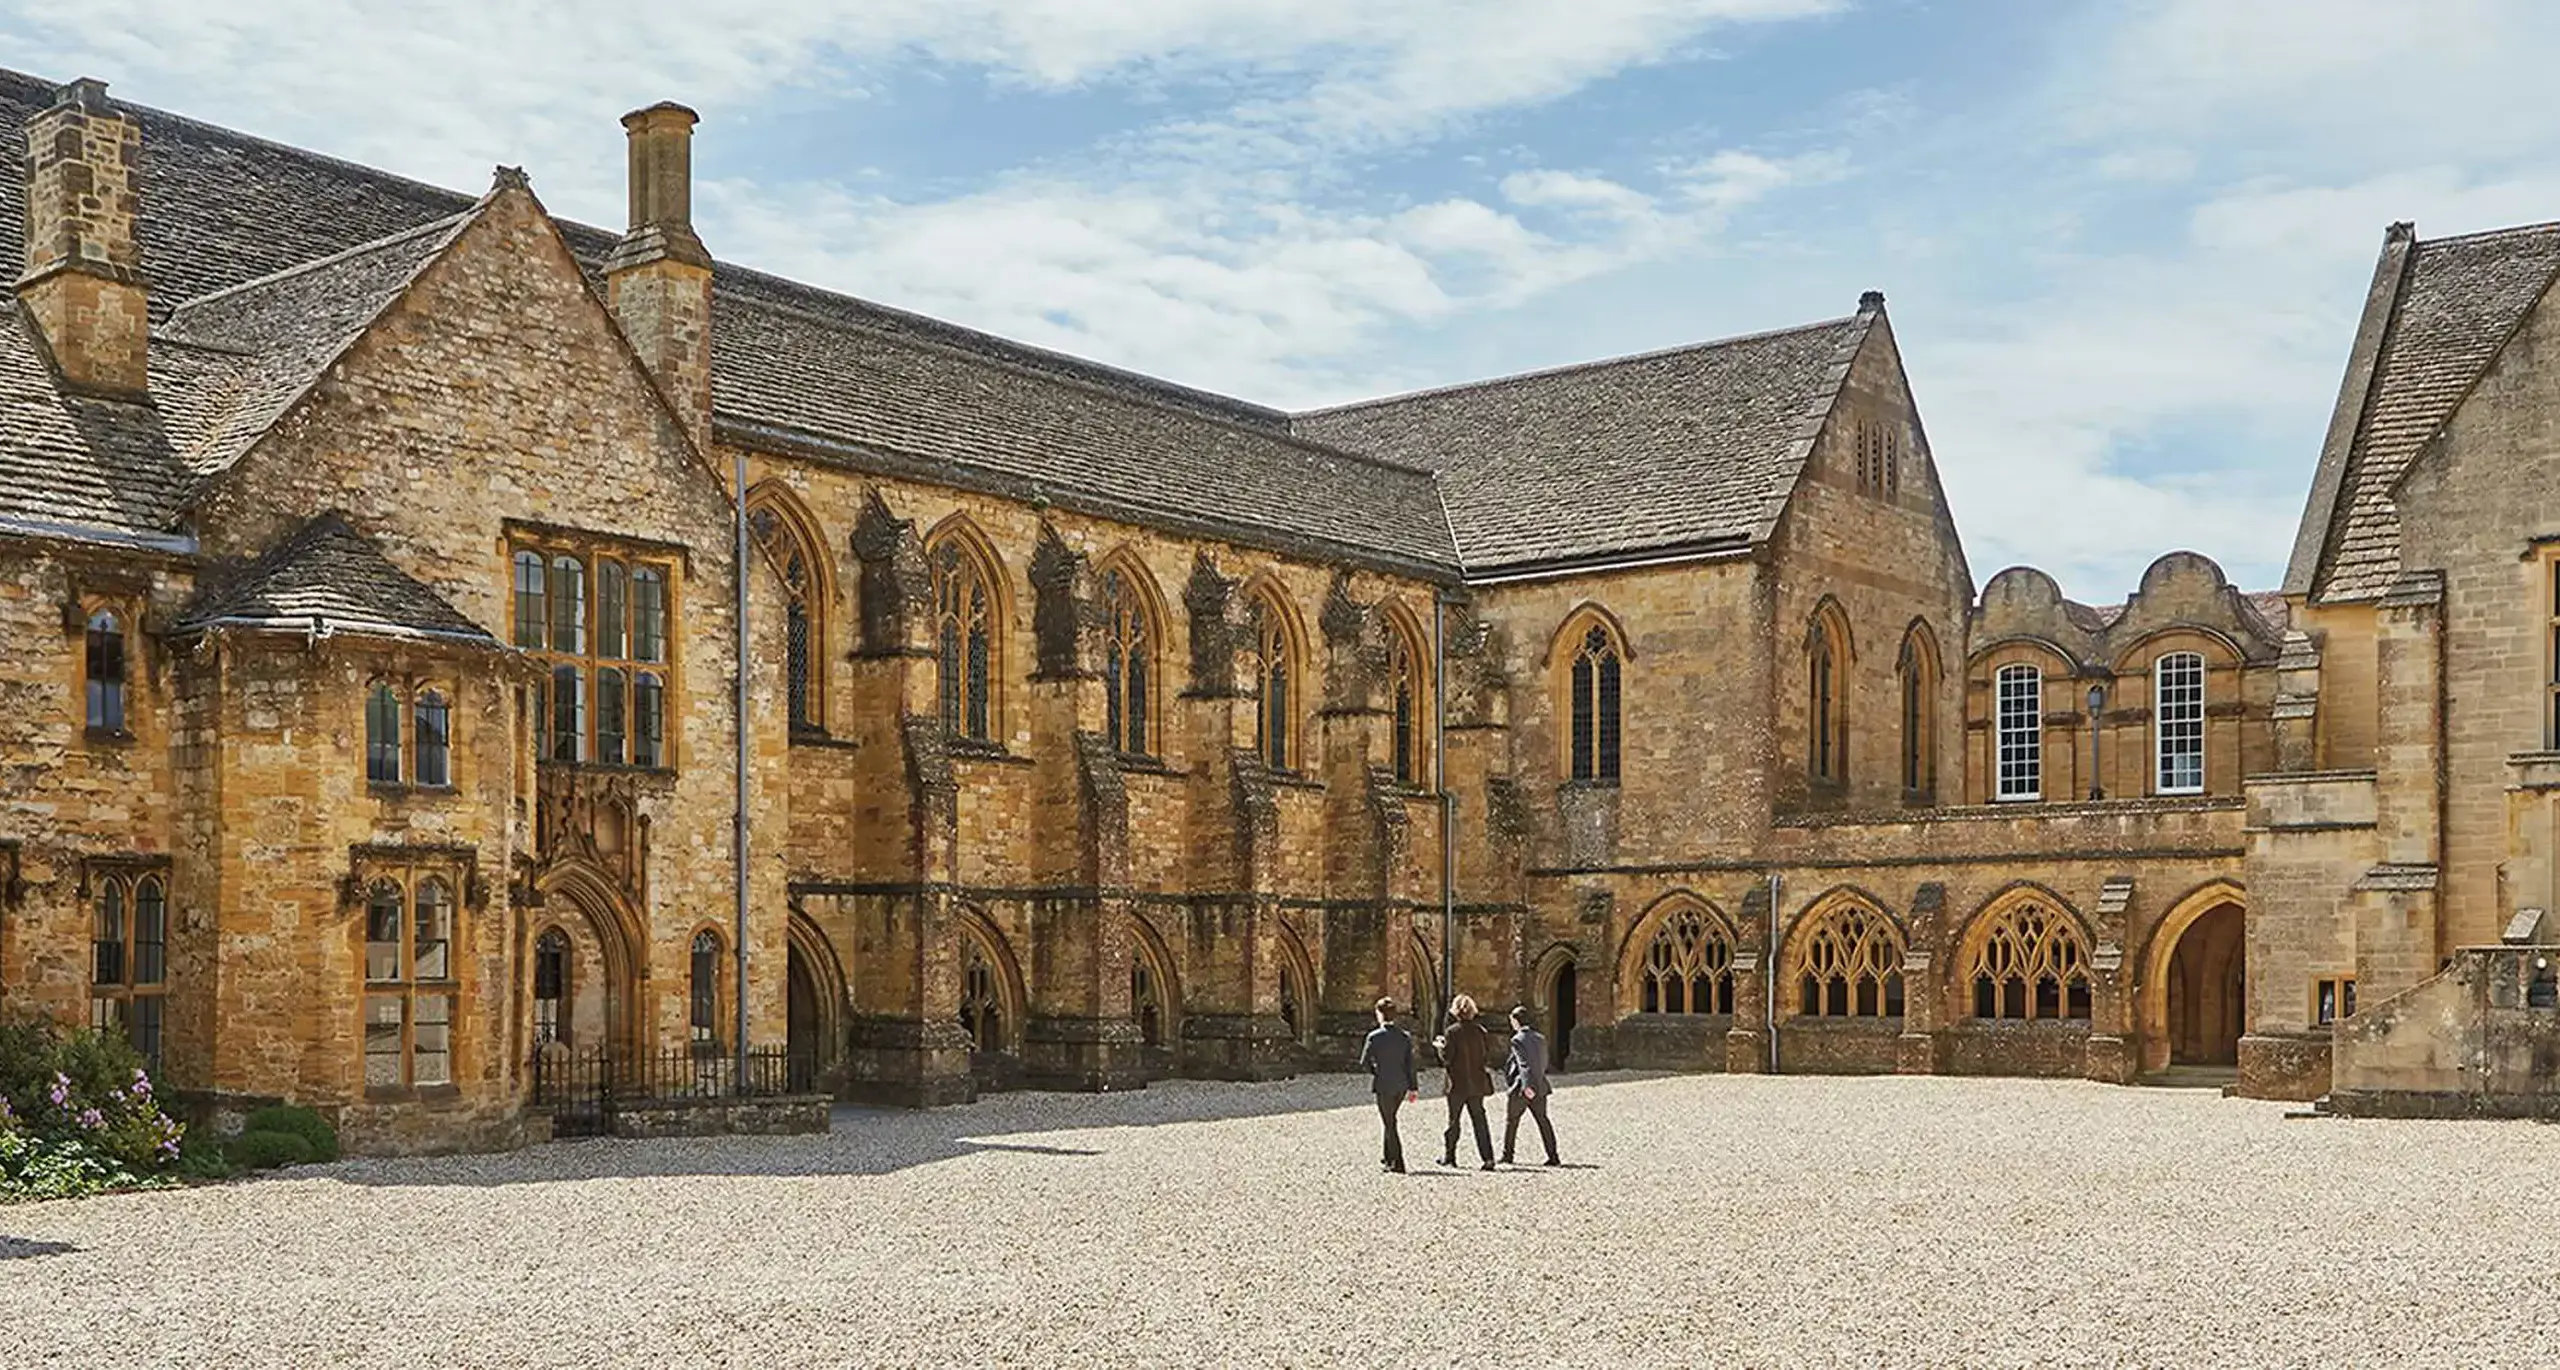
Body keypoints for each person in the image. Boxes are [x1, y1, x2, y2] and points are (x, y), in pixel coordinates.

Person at [1433, 993, 1497, 1170]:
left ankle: (1450, 1156)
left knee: (1454, 1121)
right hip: (1476, 1082)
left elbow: (1447, 1058)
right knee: (1480, 1120)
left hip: (1457, 1083)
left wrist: (1440, 1048)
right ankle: (1488, 1158)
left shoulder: (1452, 1032)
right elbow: (1486, 1056)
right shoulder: (1480, 1031)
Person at [1356, 996, 1420, 1172]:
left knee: (1390, 1122)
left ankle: (1398, 1163)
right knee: (1389, 1119)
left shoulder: (1374, 1037)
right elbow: (1410, 1064)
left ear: (1379, 1014)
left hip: (1383, 1083)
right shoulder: (1404, 1037)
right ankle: (1387, 1157)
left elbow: (1364, 1062)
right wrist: (1413, 1087)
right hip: (1401, 1084)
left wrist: (1376, 1072)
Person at [1500, 1004, 1561, 1167]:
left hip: (1523, 1087)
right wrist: (1537, 1082)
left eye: (1512, 1021)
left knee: (1512, 1121)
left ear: (1516, 1021)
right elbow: (1543, 1062)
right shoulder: (1540, 1038)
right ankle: (1553, 1156)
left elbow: (1523, 1064)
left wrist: (1527, 1087)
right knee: (1543, 1121)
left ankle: (1508, 1155)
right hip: (1541, 1084)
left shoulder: (1517, 1040)